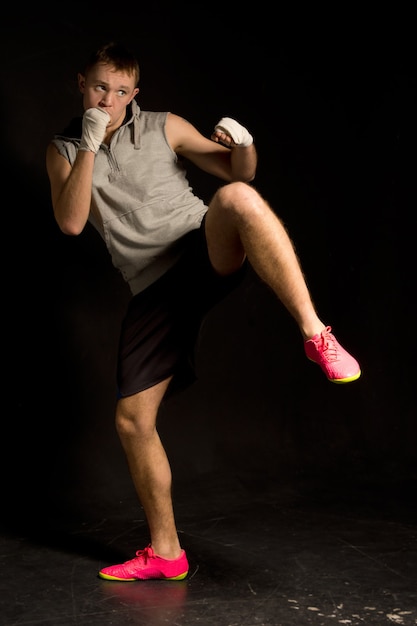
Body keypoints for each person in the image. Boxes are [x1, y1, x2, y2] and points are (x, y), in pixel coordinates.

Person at [46, 41, 361, 582]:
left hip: (199, 247)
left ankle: (316, 334)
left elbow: (240, 172)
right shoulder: (63, 149)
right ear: (81, 84)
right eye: (100, 87)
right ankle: (167, 553)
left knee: (237, 199)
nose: (110, 100)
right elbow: (72, 222)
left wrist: (244, 145)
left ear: (135, 95)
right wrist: (90, 147)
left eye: (122, 92)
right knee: (131, 421)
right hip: (151, 288)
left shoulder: (164, 125)